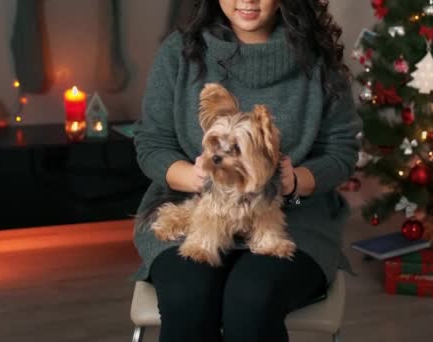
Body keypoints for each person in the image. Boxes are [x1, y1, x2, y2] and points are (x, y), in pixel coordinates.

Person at [132, 1, 362, 341]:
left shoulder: (317, 58)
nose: (247, 0)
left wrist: (296, 180)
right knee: (188, 296)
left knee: (251, 299)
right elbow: (151, 143)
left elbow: (341, 151)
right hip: (194, 211)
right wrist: (193, 176)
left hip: (293, 216)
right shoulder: (179, 52)